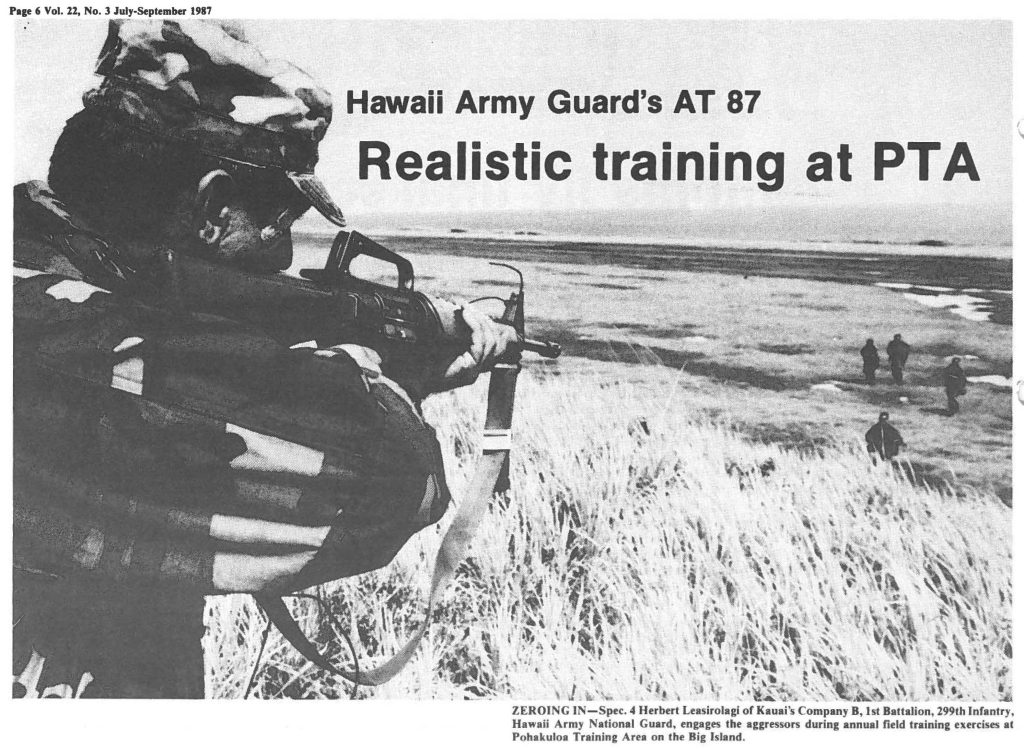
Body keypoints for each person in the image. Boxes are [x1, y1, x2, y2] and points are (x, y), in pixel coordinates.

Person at [13, 20, 516, 699]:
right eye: (278, 219)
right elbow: (394, 476)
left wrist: (407, 358)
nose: (282, 255)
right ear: (214, 207)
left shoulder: (46, 295)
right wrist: (379, 369)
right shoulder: (64, 343)